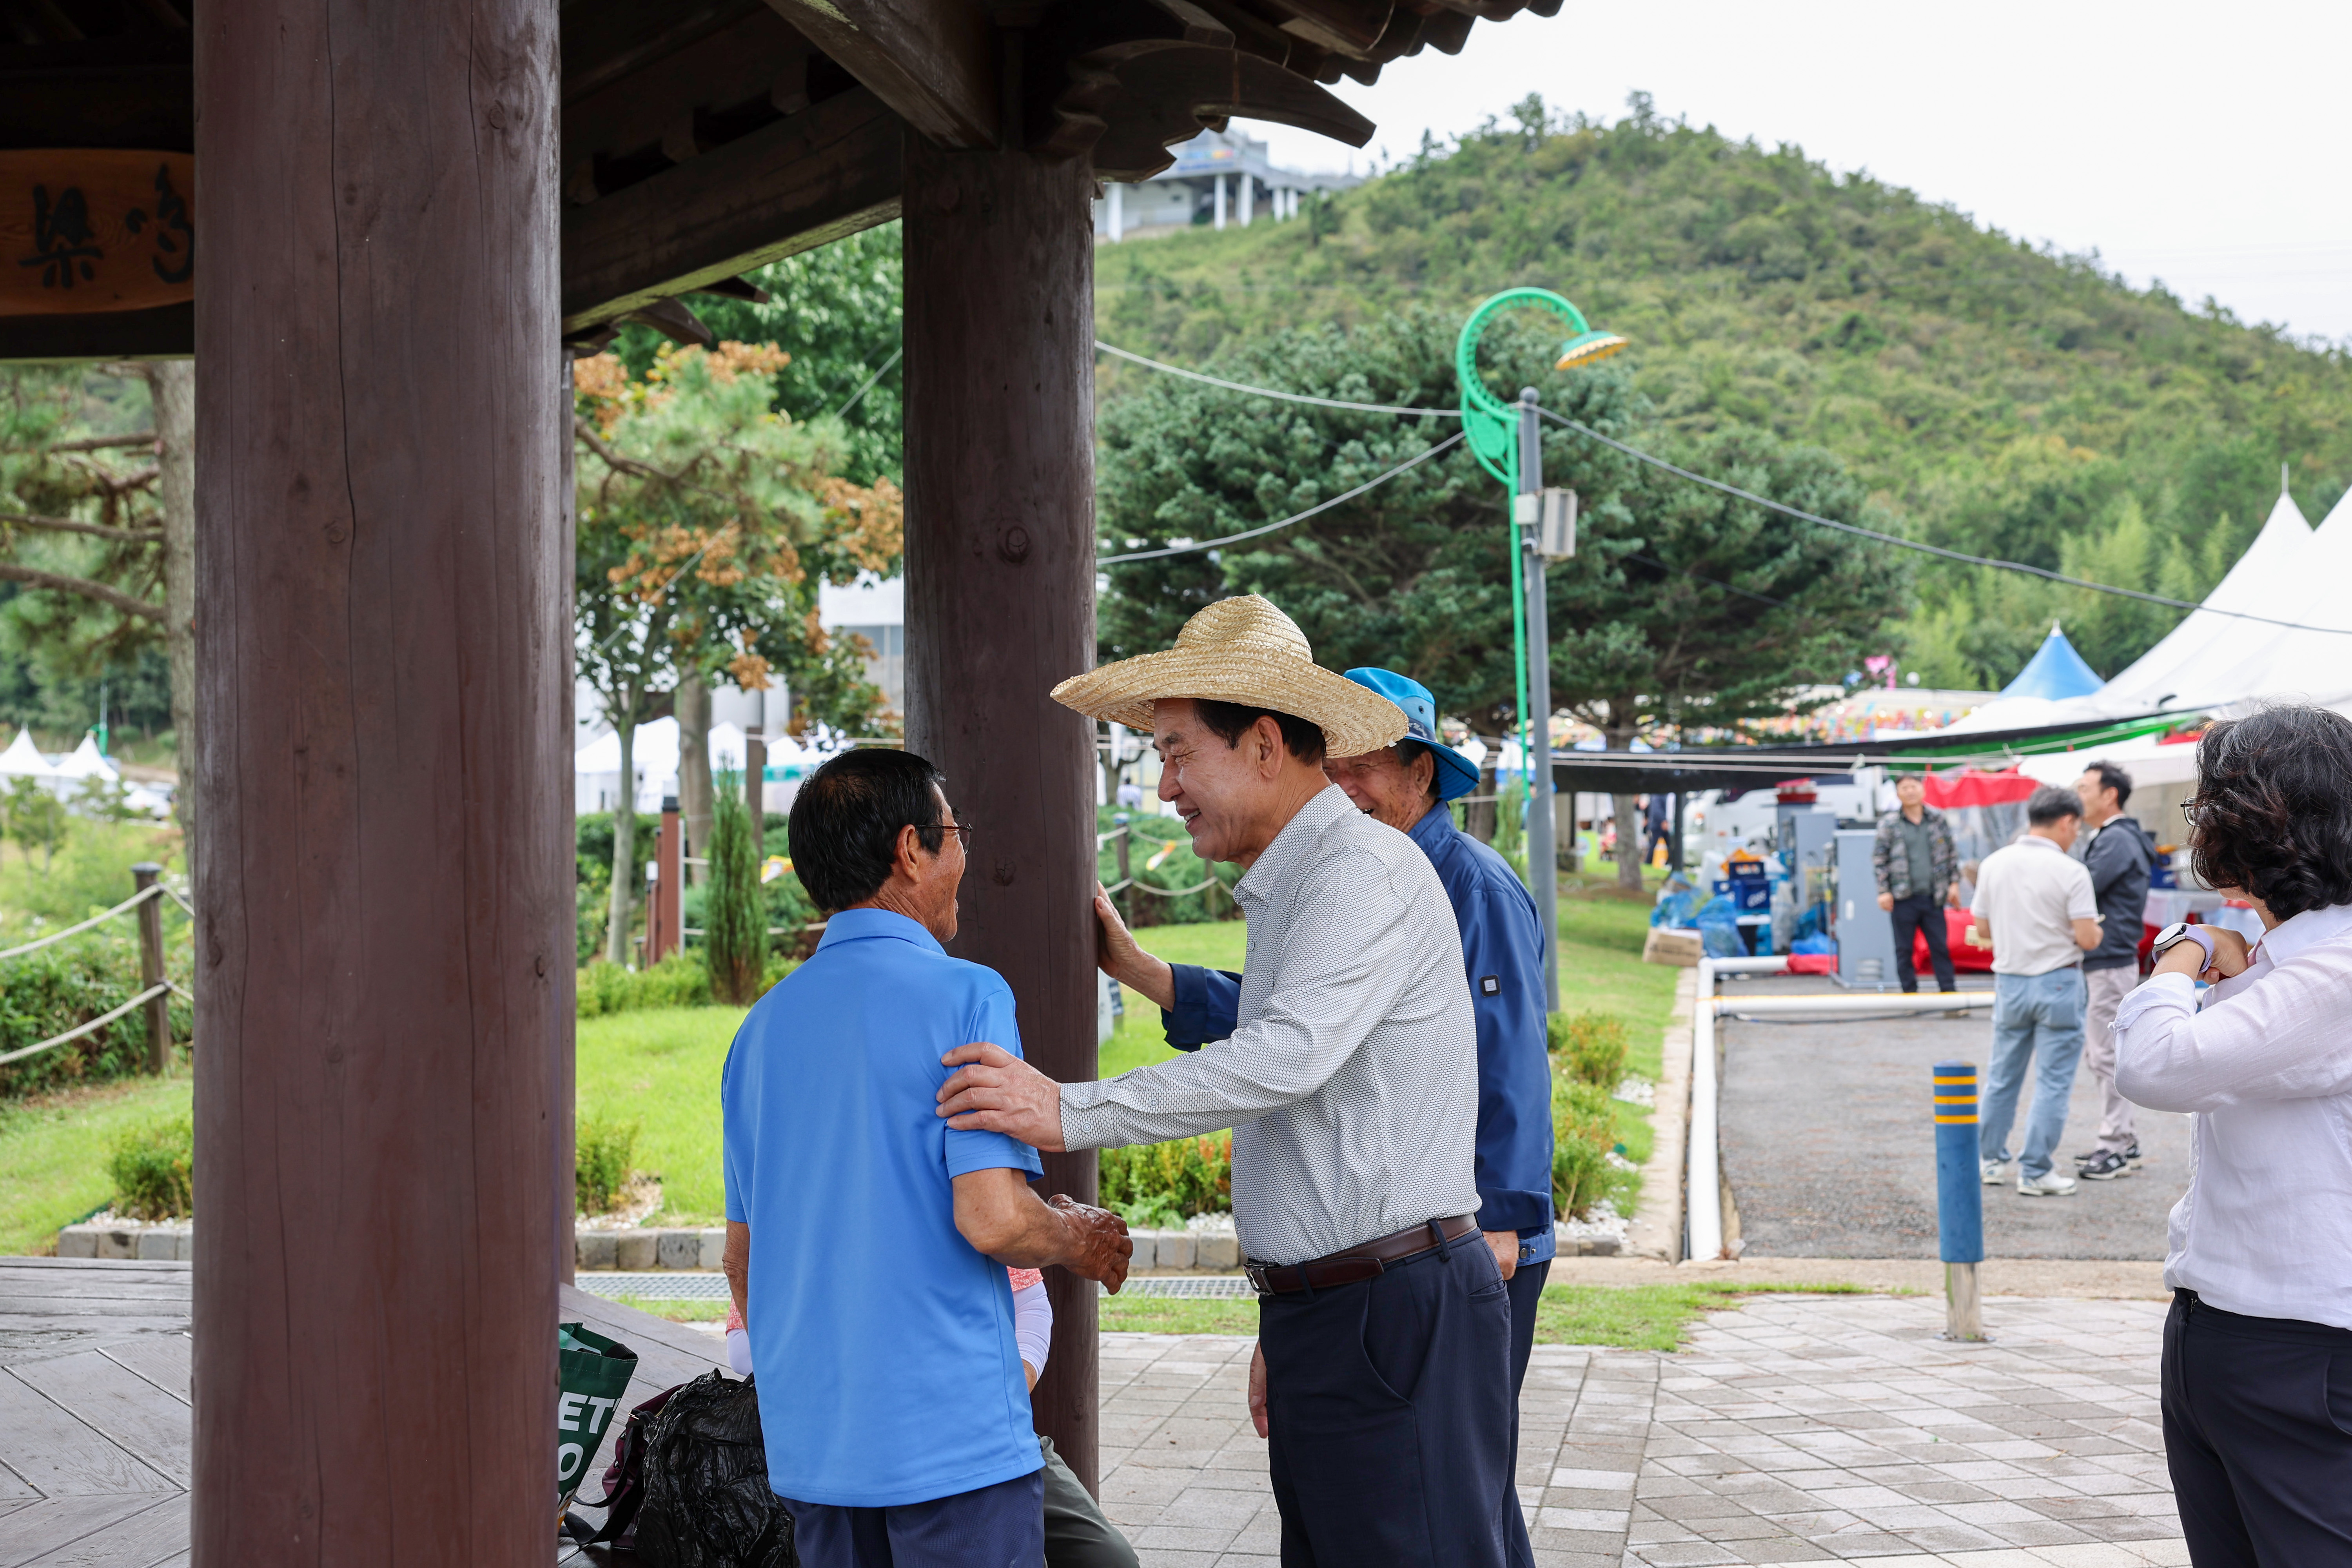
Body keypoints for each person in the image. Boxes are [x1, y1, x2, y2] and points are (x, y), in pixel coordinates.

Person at [932, 596, 1514, 1567]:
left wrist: (1066, 1106)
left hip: (1389, 1306)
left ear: (1264, 744)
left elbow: (1285, 1057)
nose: (1165, 787)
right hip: (1349, 1304)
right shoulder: (1305, 879)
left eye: (1174, 752)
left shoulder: (1355, 871)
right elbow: (1299, 1058)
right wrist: (1293, 1305)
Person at [1092, 666, 1553, 1567]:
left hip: (1445, 1245)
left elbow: (1504, 1065)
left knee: (1452, 1500)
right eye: (1329, 759)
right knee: (1448, 1508)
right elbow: (1304, 1030)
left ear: (1424, 769)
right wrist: (1153, 974)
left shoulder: (1457, 883)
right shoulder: (1328, 875)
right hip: (1361, 1278)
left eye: (1360, 764)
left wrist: (1502, 1215)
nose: (1337, 780)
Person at [720, 747, 1131, 1568]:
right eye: (955, 833)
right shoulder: (964, 993)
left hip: (819, 1450)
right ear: (912, 849)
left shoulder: (758, 1032)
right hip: (950, 1437)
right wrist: (1076, 1237)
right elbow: (992, 1215)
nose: (965, 854)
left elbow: (744, 1258)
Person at [2111, 705, 2352, 1564]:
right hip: (2226, 1330)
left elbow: (2155, 1063)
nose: (2201, 823)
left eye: (2212, 802)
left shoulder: (2332, 975)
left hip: (2304, 1349)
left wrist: (2180, 952)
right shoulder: (2281, 961)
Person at [723, 1272, 1137, 1568]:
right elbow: (744, 1343)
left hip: (989, 1426)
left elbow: (1030, 1301)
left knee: (1111, 1558)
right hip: (859, 1447)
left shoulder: (964, 1193)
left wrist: (1005, 1386)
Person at [1970, 783, 2102, 1197]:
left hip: (2010, 981)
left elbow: (1983, 929)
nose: (2075, 835)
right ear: (2066, 821)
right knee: (2053, 1082)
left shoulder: (1994, 863)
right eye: (2075, 827)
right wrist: (2096, 927)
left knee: (2001, 1076)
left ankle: (1989, 1160)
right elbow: (2087, 938)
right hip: (2059, 982)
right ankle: (2035, 1170)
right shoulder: (2071, 870)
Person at [2071, 760, 2155, 1181]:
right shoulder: (2115, 837)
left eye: (2084, 787)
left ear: (2110, 795)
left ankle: (2115, 1144)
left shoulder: (2117, 839)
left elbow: (2081, 889)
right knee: (2103, 1052)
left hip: (2110, 958)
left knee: (2105, 1054)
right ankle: (2126, 1140)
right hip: (2112, 956)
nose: (2077, 794)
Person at [1872, 773, 1960, 994]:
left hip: (1934, 896)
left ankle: (1950, 997)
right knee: (1904, 950)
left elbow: (1951, 854)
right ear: (1898, 794)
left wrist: (1954, 884)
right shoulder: (1890, 824)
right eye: (1905, 788)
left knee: (1940, 948)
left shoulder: (1938, 819)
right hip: (1903, 899)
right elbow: (1879, 859)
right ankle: (1910, 997)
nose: (1910, 791)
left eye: (1914, 786)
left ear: (1923, 790)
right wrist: (1884, 891)